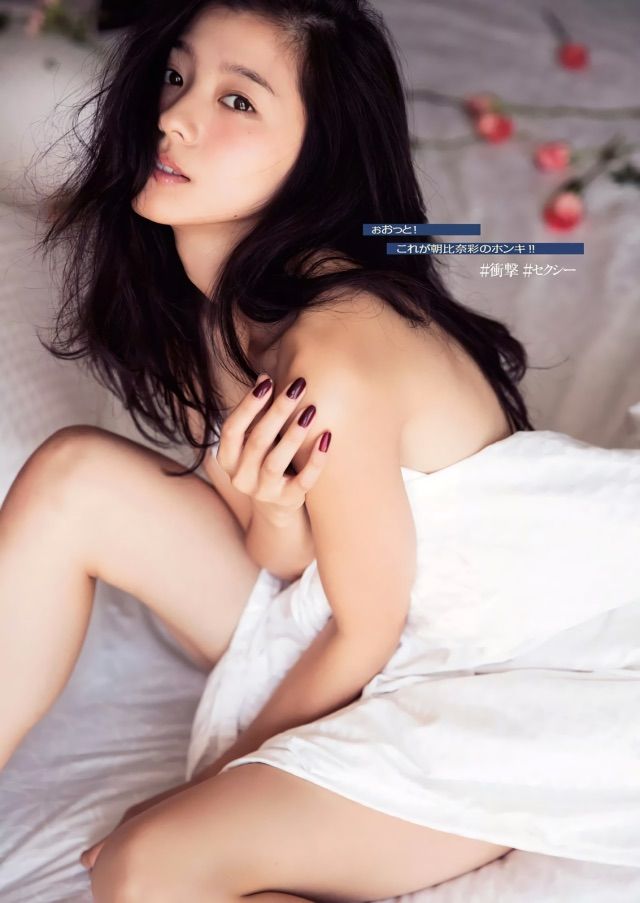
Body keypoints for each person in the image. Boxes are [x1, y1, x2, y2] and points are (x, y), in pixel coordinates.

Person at [1, 0, 638, 900]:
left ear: (316, 155)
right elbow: (293, 561)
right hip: (365, 619)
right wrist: (272, 508)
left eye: (238, 101)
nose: (174, 116)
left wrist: (211, 785)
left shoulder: (333, 346)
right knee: (74, 478)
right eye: (179, 76)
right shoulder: (226, 310)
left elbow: (367, 627)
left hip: (495, 666)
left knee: (150, 865)